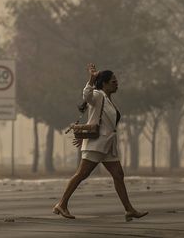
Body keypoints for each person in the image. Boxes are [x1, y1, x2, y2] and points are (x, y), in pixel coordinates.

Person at [53, 63, 148, 221]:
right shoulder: (98, 95)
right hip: (97, 144)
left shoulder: (108, 100)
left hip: (108, 146)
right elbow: (87, 95)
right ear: (104, 83)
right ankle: (61, 204)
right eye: (113, 81)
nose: (116, 83)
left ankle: (129, 210)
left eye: (116, 81)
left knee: (118, 175)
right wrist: (91, 79)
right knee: (82, 174)